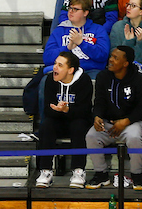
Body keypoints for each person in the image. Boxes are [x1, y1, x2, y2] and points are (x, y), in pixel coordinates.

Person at [83, 45, 142, 189]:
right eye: (111, 56)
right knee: (91, 136)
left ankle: (137, 175)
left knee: (134, 137)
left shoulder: (139, 79)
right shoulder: (103, 76)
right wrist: (97, 116)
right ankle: (101, 174)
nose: (110, 60)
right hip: (108, 123)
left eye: (115, 58)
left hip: (132, 122)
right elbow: (99, 101)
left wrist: (125, 121)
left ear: (126, 63)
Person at [35, 51, 93, 189]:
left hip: (78, 119)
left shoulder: (84, 81)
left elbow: (85, 112)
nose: (55, 67)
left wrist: (67, 110)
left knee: (78, 126)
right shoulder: (50, 80)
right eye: (55, 63)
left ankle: (78, 171)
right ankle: (45, 171)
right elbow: (47, 110)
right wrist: (58, 110)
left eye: (60, 65)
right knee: (46, 125)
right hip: (57, 119)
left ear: (70, 70)